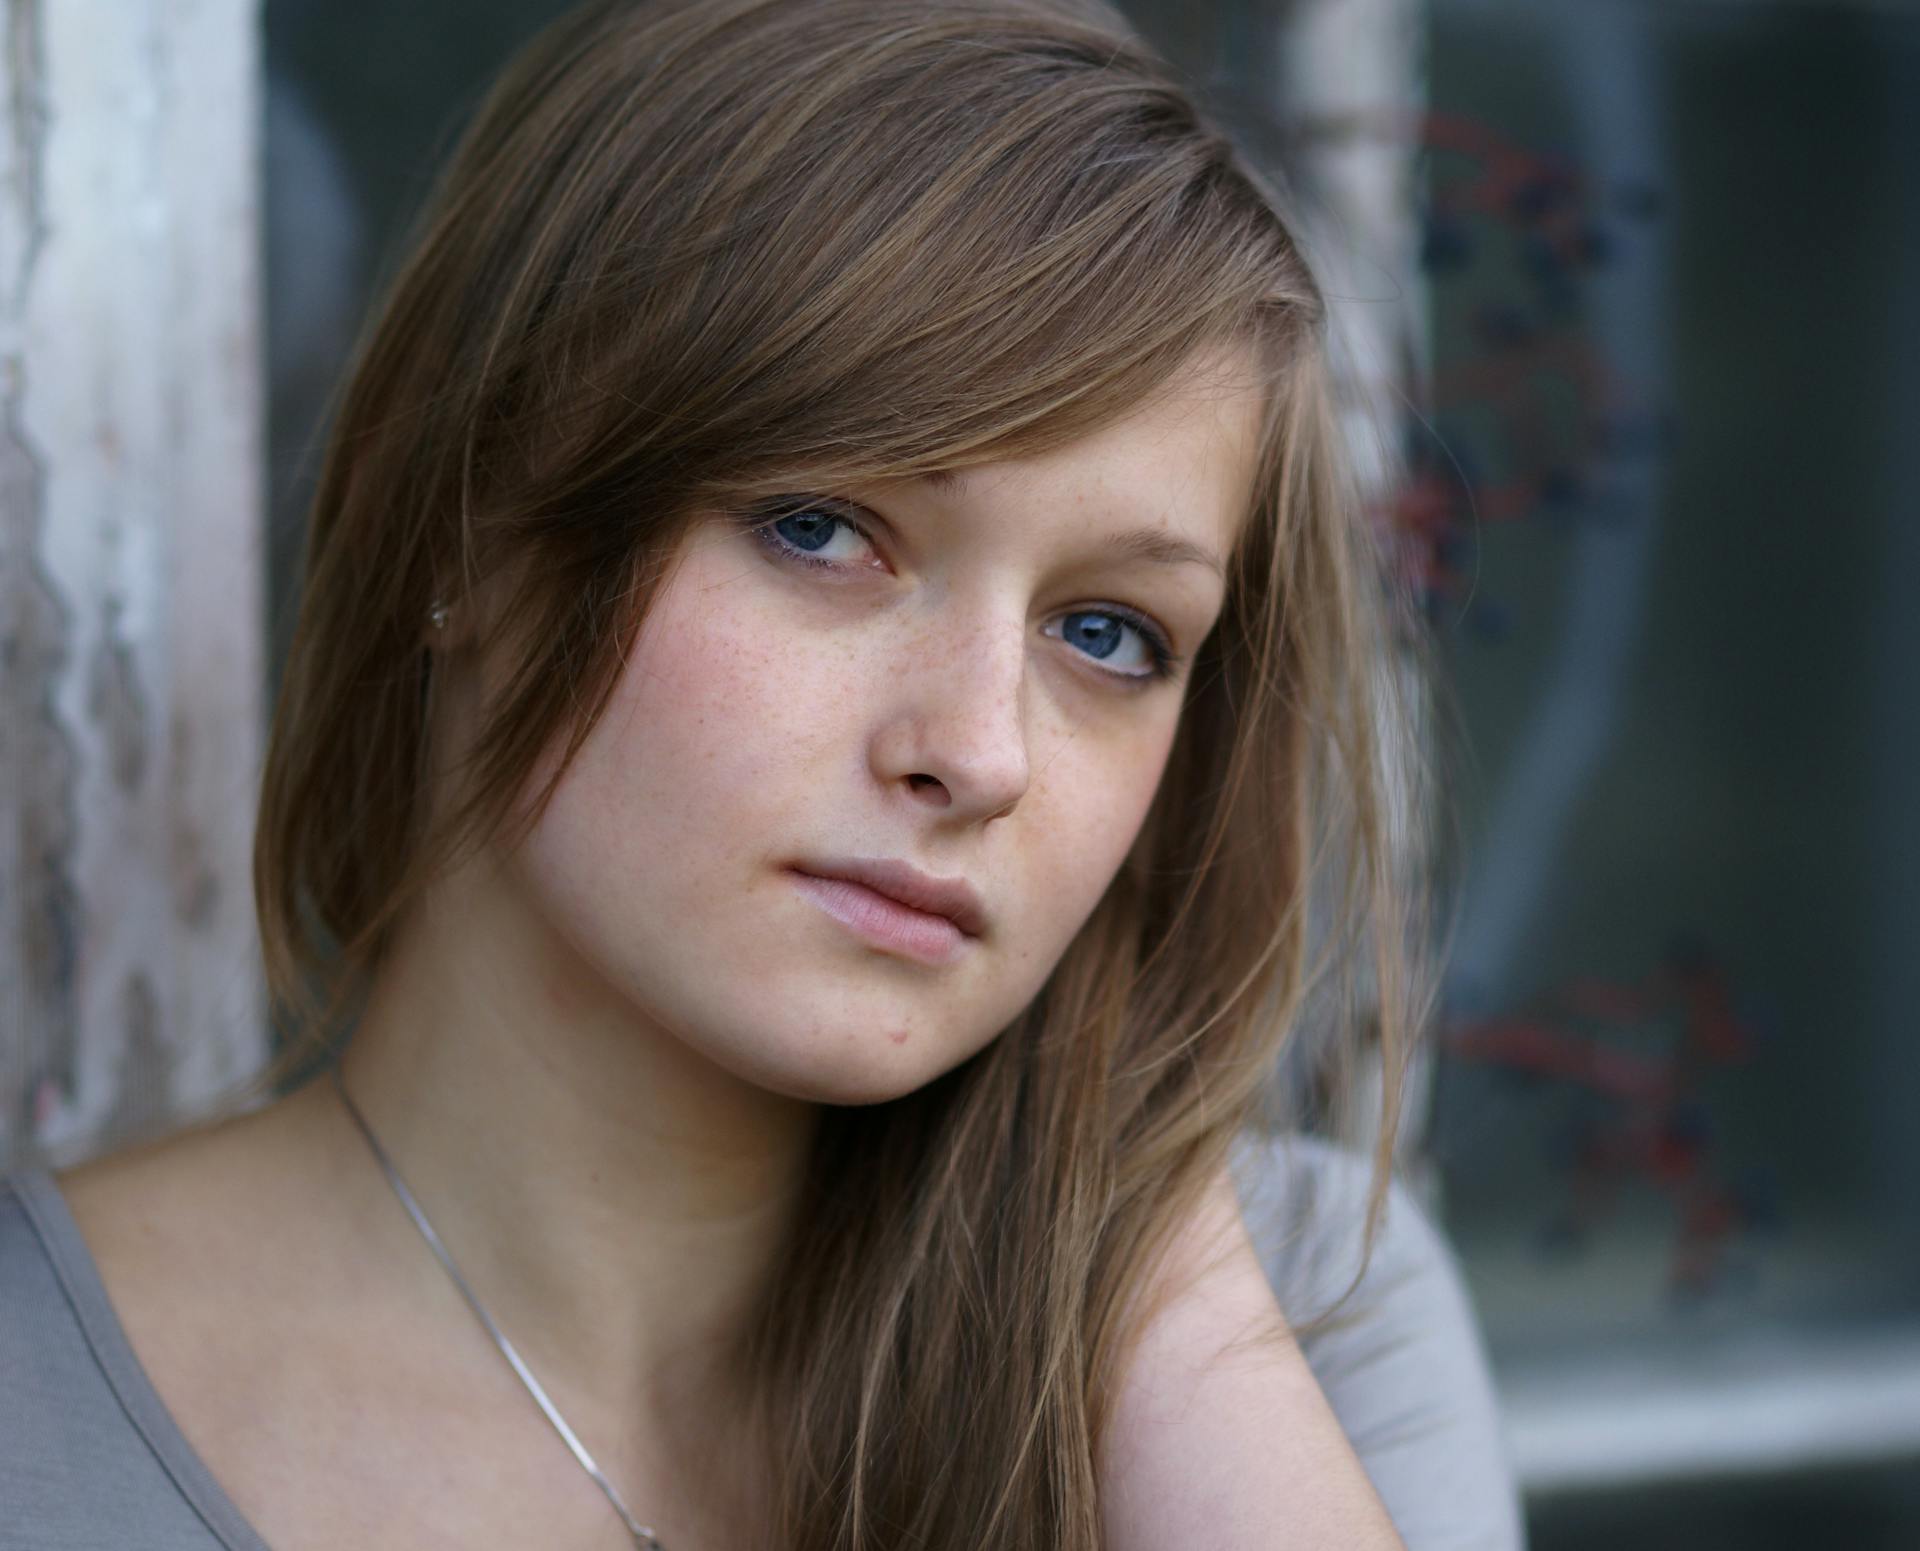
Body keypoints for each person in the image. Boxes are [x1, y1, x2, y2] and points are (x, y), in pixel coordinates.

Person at [0, 0, 1524, 1546]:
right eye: (822, 530)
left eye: (1108, 634)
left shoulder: (1308, 1320)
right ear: (469, 522)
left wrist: (1119, 1213)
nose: (980, 753)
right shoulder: (34, 1412)